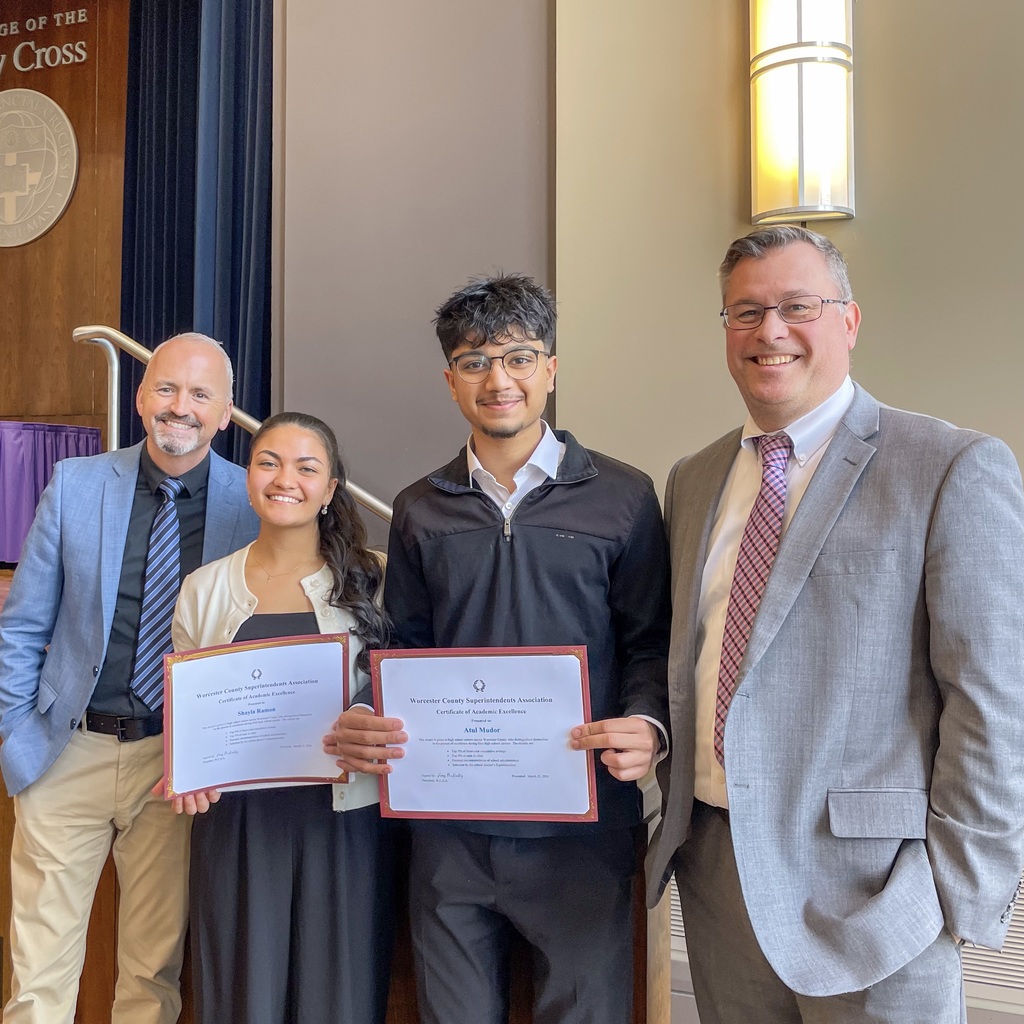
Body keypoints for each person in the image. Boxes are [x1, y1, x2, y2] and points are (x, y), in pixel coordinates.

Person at [646, 225, 1024, 1024]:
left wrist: (956, 892)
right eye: (745, 312)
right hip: (720, 878)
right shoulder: (695, 477)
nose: (770, 332)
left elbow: (994, 702)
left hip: (879, 897)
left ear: (849, 321)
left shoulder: (950, 465)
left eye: (797, 306)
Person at [326, 273, 672, 1024]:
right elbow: (404, 647)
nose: (499, 379)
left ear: (550, 368)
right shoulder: (421, 507)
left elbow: (651, 645)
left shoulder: (624, 497)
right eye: (476, 361)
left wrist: (647, 725)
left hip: (582, 824)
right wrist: (365, 711)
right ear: (450, 380)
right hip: (449, 828)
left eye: (519, 357)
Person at [0, 333, 257, 1024]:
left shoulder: (252, 504)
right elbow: (21, 628)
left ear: (226, 412)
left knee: (152, 972)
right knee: (37, 970)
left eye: (200, 394)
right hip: (66, 752)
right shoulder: (77, 485)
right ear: (141, 398)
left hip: (174, 766)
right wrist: (16, 739)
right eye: (167, 388)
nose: (181, 407)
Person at [171, 411, 394, 1024]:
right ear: (248, 476)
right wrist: (187, 770)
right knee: (244, 990)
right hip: (238, 821)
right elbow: (187, 706)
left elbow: (401, 691)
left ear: (329, 488)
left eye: (306, 466)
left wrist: (369, 716)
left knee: (338, 994)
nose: (284, 478)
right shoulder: (204, 588)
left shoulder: (373, 578)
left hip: (343, 819)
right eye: (268, 462)